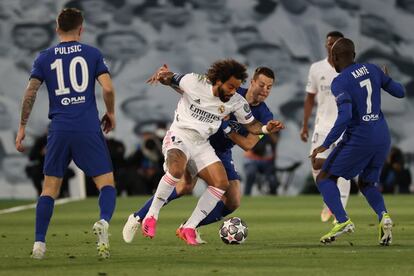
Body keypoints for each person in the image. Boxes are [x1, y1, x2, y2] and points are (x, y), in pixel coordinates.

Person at [125, 60, 283, 246]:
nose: (265, 90)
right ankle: (141, 217)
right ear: (252, 82)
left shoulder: (254, 110)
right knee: (183, 184)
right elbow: (190, 90)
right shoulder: (215, 86)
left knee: (232, 199)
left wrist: (262, 128)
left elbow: (249, 142)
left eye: (269, 87)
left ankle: (189, 226)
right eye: (262, 85)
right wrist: (164, 77)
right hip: (190, 137)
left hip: (216, 149)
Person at [15, 8, 117, 259]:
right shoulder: (92, 53)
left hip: (59, 129)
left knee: (49, 188)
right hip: (87, 127)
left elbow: (30, 93)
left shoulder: (44, 57)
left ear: (57, 29)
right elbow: (108, 89)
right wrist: (111, 113)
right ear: (81, 29)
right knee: (106, 184)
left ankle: (39, 244)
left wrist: (22, 127)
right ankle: (103, 222)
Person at [310, 38, 405, 245]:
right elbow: (400, 92)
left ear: (334, 58)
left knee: (324, 178)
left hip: (360, 137)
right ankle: (384, 216)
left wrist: (326, 144)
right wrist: (386, 78)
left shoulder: (340, 81)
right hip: (382, 136)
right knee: (367, 183)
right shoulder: (373, 69)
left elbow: (344, 116)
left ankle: (342, 221)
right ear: (353, 55)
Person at [300, 31, 351, 223]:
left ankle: (340, 215)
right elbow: (310, 98)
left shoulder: (349, 69)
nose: (331, 46)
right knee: (315, 165)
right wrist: (304, 125)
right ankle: (329, 200)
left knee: (344, 171)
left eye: (335, 43)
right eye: (328, 44)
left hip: (344, 127)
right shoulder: (316, 68)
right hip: (322, 127)